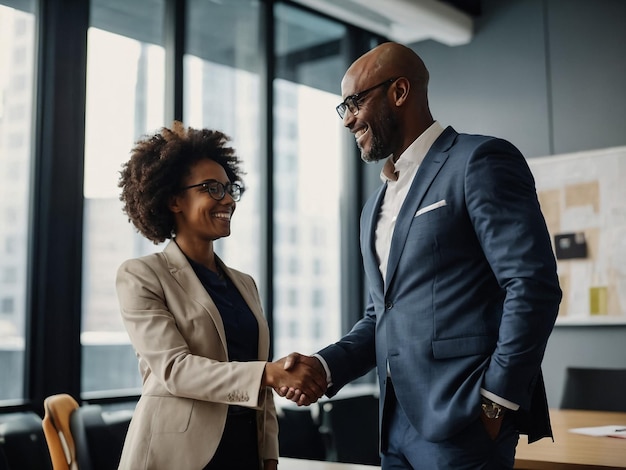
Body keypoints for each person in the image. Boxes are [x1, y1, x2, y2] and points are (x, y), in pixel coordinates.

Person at [279, 42, 562, 469]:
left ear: (399, 92)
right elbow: (382, 316)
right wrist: (324, 366)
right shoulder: (374, 205)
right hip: (393, 428)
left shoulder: (479, 160)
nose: (348, 119)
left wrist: (494, 402)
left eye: (353, 102)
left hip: (465, 422)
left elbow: (532, 286)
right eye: (343, 109)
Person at [115, 122, 327, 470]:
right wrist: (269, 374)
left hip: (244, 453)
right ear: (173, 199)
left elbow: (262, 383)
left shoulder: (245, 284)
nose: (227, 199)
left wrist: (269, 452)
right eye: (211, 189)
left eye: (230, 189)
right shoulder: (141, 275)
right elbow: (175, 370)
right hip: (176, 458)